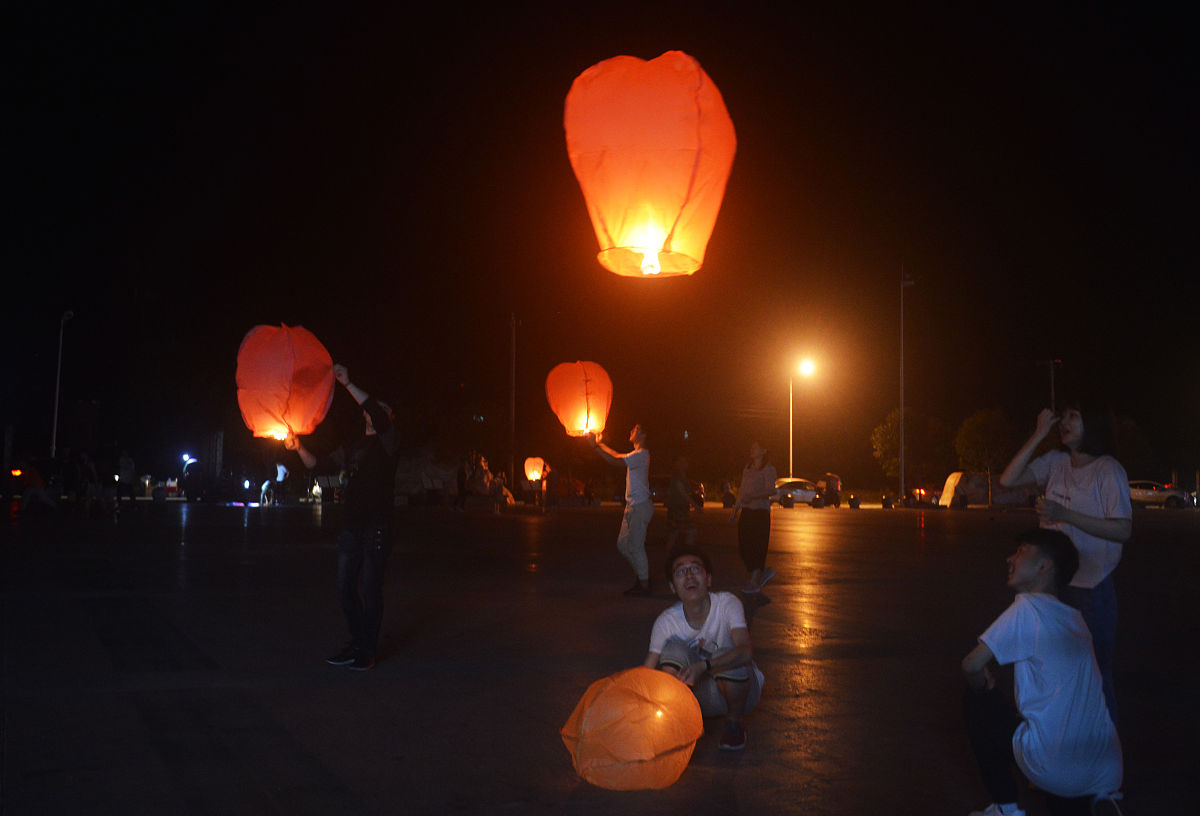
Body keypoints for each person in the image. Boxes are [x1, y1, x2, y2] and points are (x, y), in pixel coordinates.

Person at [961, 528, 1123, 816]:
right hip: (1106, 767)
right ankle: (1096, 799)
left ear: (1044, 566)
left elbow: (971, 664)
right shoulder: (1076, 620)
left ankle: (1006, 809)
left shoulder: (1028, 609)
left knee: (978, 701)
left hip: (1054, 765)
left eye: (1021, 551)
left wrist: (983, 684)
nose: (1009, 559)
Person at [998, 402, 1131, 719]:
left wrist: (1065, 514)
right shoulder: (1056, 462)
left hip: (1090, 589)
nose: (1065, 422)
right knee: (1053, 671)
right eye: (1064, 417)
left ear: (1094, 424)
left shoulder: (1107, 470)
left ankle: (1101, 746)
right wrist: (1038, 433)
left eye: (1075, 416)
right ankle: (1059, 740)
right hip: (1052, 588)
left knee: (1096, 673)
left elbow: (1123, 529)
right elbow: (1008, 479)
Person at [287, 364, 399, 671]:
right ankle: (357, 641)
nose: (378, 412)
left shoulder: (389, 444)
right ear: (363, 416)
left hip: (377, 527)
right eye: (376, 409)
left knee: (371, 589)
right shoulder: (352, 449)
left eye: (385, 410)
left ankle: (368, 650)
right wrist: (297, 446)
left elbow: (376, 412)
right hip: (351, 527)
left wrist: (348, 383)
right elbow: (317, 465)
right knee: (344, 587)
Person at [643, 545, 764, 751]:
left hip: (741, 694)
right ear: (673, 587)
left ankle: (734, 724)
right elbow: (647, 672)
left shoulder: (727, 604)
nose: (689, 575)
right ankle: (681, 721)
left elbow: (745, 651)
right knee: (672, 650)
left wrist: (704, 666)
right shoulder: (666, 621)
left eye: (695, 569)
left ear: (708, 579)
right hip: (697, 699)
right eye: (681, 571)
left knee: (726, 653)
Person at [590, 424, 653, 595]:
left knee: (636, 546)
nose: (631, 430)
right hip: (632, 506)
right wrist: (599, 444)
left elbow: (615, 460)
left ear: (644, 435)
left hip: (639, 507)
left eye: (636, 429)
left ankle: (644, 584)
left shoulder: (641, 454)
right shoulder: (636, 455)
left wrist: (596, 446)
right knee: (623, 545)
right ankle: (642, 576)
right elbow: (617, 456)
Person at [730, 442, 778, 594]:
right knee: (744, 545)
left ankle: (754, 580)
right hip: (747, 511)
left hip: (760, 512)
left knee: (757, 545)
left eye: (755, 448)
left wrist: (754, 496)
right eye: (751, 447)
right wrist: (734, 512)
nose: (751, 450)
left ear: (763, 451)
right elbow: (742, 491)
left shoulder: (768, 469)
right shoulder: (748, 468)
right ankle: (761, 572)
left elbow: (771, 490)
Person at [665, 455, 703, 550]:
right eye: (683, 462)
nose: (686, 464)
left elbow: (685, 493)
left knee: (674, 534)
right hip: (678, 509)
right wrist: (696, 506)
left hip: (679, 508)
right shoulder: (677, 478)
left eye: (685, 461)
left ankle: (674, 556)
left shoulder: (682, 476)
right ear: (677, 464)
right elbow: (683, 494)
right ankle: (686, 552)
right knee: (689, 531)